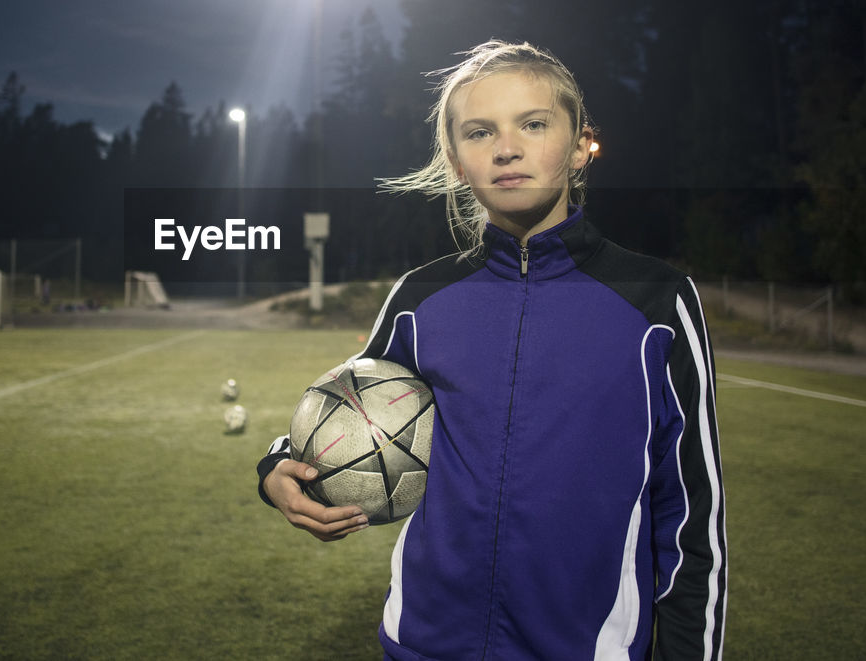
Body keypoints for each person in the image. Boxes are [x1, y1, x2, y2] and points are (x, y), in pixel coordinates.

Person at [257, 41, 727, 660]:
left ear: (583, 143)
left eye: (534, 124)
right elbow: (347, 408)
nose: (507, 148)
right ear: (454, 161)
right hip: (422, 645)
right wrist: (275, 472)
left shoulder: (655, 302)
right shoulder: (420, 299)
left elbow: (693, 518)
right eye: (480, 132)